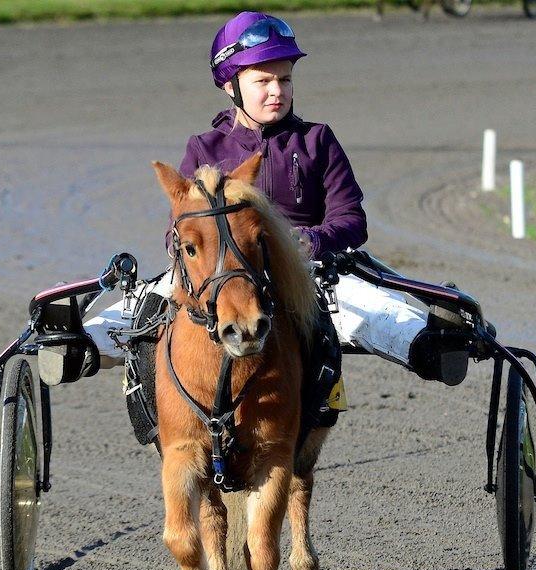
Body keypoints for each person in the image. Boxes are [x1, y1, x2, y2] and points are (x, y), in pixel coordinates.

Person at [79, 11, 457, 383]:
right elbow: (175, 232)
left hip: (308, 270)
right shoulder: (204, 148)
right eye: (263, 81)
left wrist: (312, 241)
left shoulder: (317, 140)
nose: (277, 91)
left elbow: (352, 221)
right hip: (220, 271)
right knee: (142, 306)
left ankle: (429, 345)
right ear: (231, 86)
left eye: (285, 79)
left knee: (370, 308)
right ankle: (77, 346)